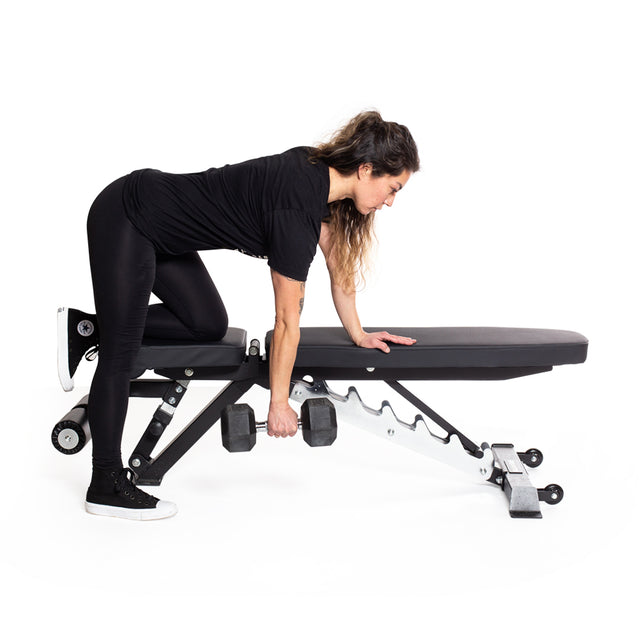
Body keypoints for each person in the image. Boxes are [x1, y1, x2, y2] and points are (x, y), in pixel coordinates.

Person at [58, 110, 420, 520]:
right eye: (392, 188)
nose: (390, 201)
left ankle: (89, 328)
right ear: (367, 169)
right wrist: (279, 402)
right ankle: (104, 483)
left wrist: (359, 334)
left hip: (164, 230)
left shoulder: (320, 183)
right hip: (129, 214)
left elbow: (340, 270)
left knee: (207, 325)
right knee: (120, 353)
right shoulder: (295, 206)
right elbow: (286, 321)